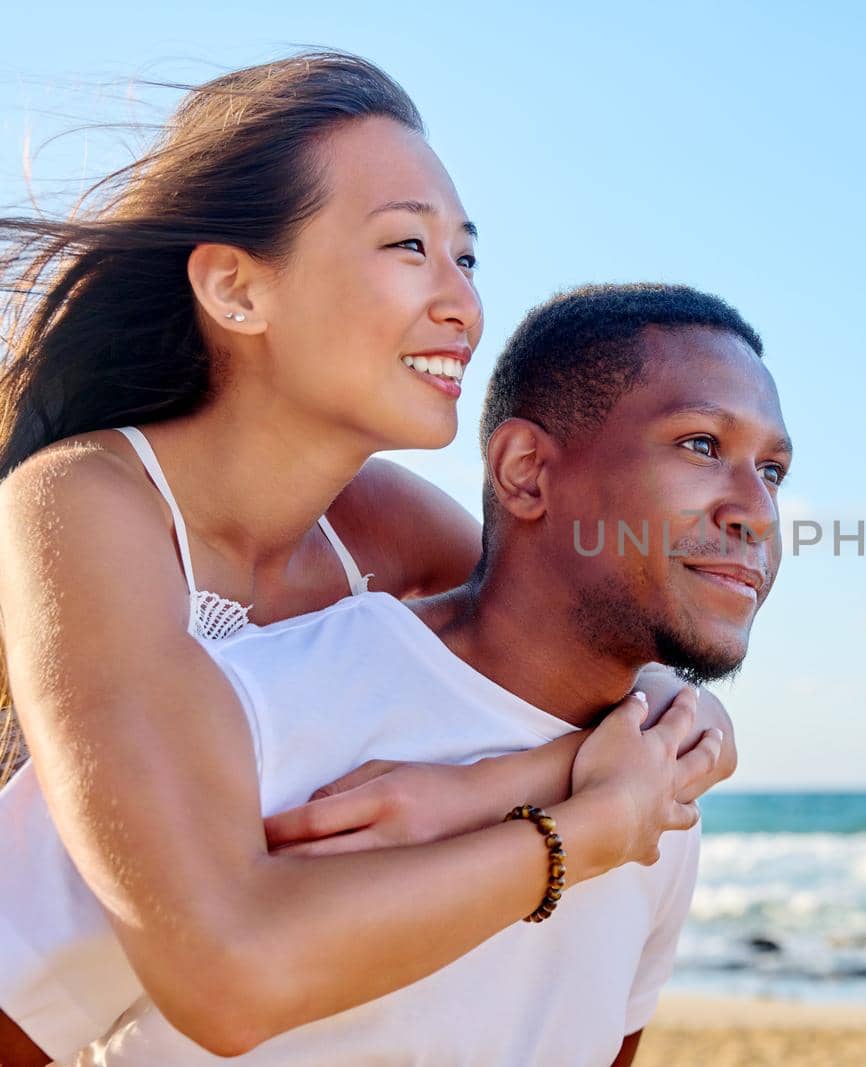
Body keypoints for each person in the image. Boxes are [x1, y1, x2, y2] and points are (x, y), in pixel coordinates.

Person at [0, 54, 732, 1064]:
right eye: (407, 246)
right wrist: (591, 825)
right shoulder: (85, 503)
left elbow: (646, 693)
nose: (462, 304)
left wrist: (474, 791)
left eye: (466, 259)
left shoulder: (381, 524)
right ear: (236, 288)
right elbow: (223, 968)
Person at [34, 282, 789, 1065]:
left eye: (773, 471)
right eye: (701, 445)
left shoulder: (662, 779)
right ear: (527, 472)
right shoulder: (243, 706)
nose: (758, 511)